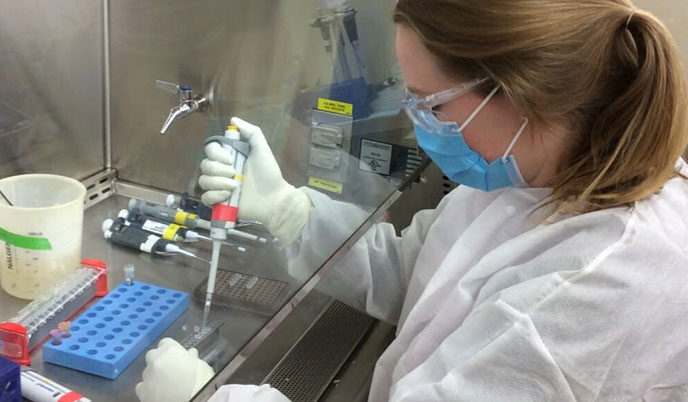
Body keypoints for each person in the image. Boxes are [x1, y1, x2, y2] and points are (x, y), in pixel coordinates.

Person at [139, 0, 688, 400]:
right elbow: (416, 275)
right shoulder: (525, 178)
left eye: (431, 104)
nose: (417, 121)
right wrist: (289, 210)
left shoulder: (599, 284)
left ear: (524, 97)